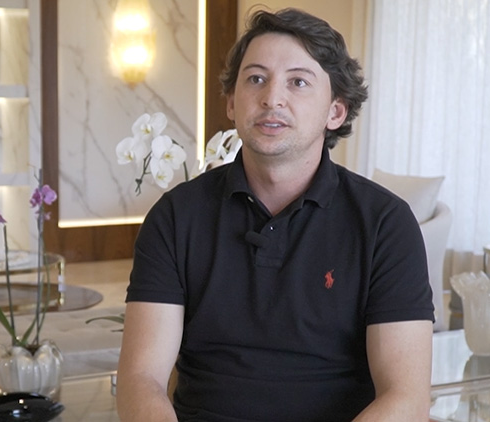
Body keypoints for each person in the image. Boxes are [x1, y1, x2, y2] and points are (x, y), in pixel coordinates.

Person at [116, 7, 434, 422]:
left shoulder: (385, 224)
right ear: (231, 103)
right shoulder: (175, 217)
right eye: (256, 79)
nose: (271, 98)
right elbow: (141, 379)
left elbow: (406, 398)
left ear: (336, 111)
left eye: (298, 82)